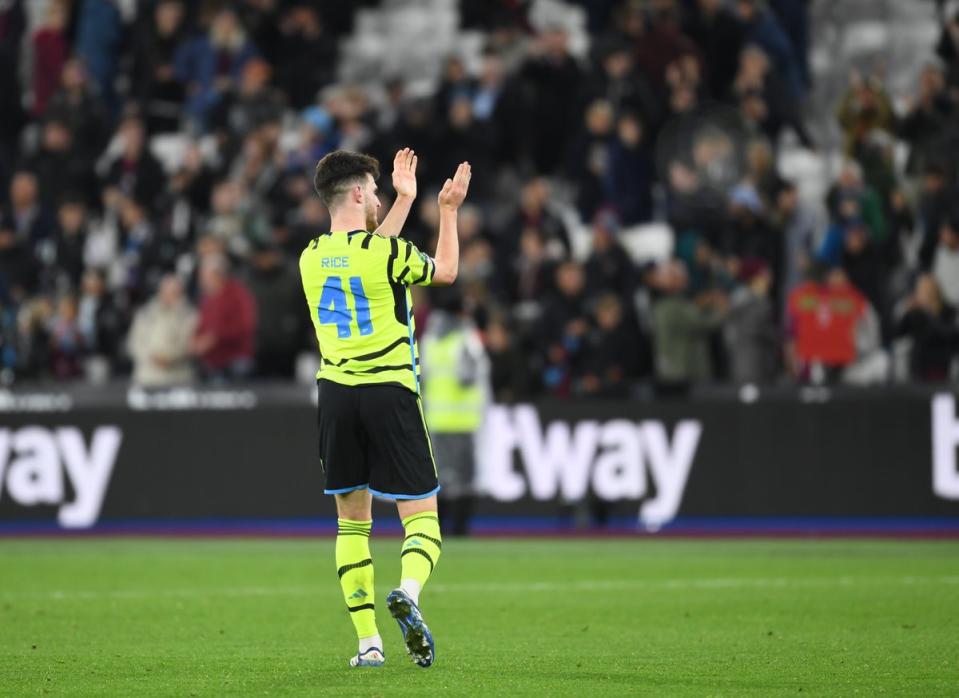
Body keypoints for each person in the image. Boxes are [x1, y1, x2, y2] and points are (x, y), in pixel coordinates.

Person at [299, 148, 470, 669]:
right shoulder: (385, 255)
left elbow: (368, 250)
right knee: (422, 518)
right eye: (372, 191)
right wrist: (446, 209)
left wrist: (401, 198)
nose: (376, 198)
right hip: (389, 391)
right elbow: (444, 272)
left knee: (352, 524)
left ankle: (368, 644)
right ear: (356, 193)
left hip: (334, 394)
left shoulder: (309, 256)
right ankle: (410, 595)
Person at [420, 293, 489, 536]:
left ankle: (435, 530)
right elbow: (468, 376)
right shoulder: (465, 339)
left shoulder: (429, 339)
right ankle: (460, 529)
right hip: (463, 419)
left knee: (439, 477)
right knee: (465, 478)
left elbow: (423, 377)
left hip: (436, 419)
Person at [127, 275, 197, 387]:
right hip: (148, 377)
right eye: (168, 291)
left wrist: (169, 358)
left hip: (178, 377)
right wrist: (152, 357)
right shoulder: (146, 312)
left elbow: (190, 343)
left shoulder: (189, 314)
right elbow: (134, 342)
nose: (171, 295)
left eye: (175, 292)